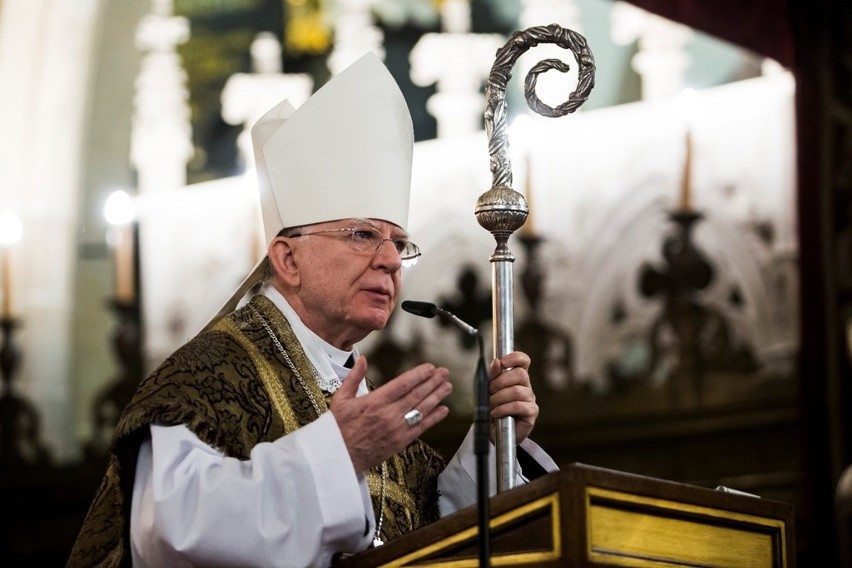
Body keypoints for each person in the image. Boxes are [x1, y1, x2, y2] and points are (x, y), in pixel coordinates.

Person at [68, 53, 557, 568]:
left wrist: (488, 446)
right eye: (363, 235)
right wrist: (333, 457)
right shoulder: (211, 375)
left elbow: (423, 537)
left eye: (399, 243)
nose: (391, 260)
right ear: (287, 258)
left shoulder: (366, 397)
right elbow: (166, 528)